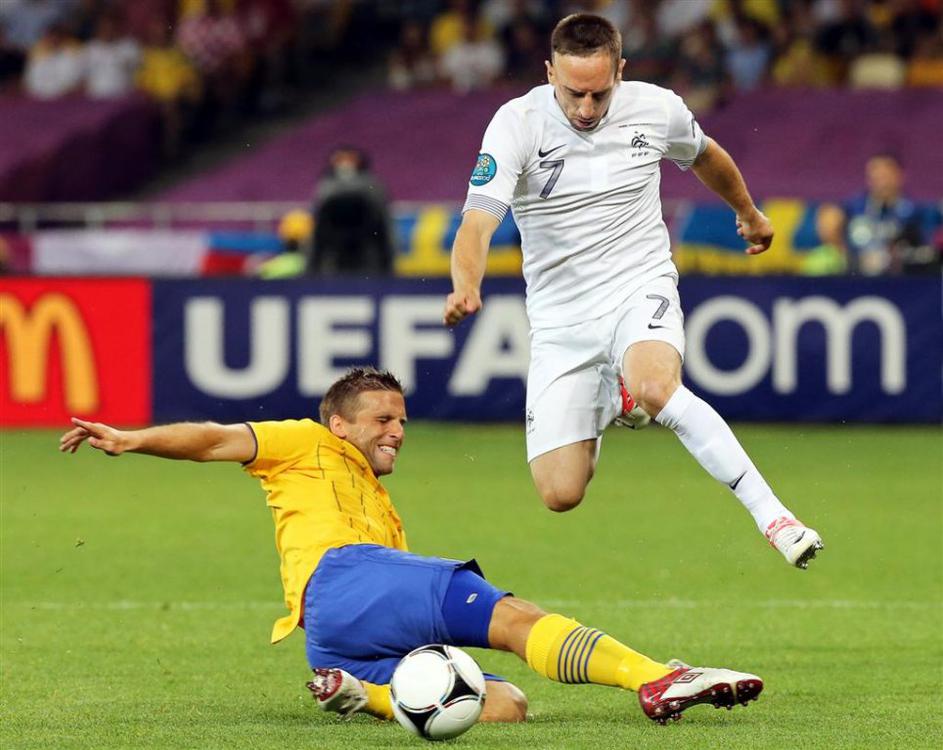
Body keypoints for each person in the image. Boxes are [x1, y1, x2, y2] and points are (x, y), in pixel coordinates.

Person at [59, 367, 764, 726]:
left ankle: (362, 696)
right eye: (381, 419)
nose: (397, 430)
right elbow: (214, 438)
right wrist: (132, 439)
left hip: (330, 638)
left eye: (401, 420)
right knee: (512, 617)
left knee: (504, 704)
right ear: (338, 423)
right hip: (346, 578)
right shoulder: (302, 441)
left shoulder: (383, 511)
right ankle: (653, 676)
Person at [443, 14, 823, 569]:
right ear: (549, 73)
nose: (586, 108)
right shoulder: (516, 124)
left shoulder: (657, 108)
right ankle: (614, 391)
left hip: (637, 283)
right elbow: (477, 222)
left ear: (620, 70)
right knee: (560, 492)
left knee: (656, 386)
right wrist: (466, 285)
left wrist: (748, 211)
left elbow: (705, 154)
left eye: (599, 93)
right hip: (560, 318)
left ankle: (775, 517)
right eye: (573, 93)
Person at [309, 146, 394, 276]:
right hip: (333, 251)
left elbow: (383, 221)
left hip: (367, 249)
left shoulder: (372, 184)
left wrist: (387, 259)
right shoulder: (325, 185)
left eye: (350, 159)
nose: (345, 163)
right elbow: (318, 226)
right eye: (340, 159)